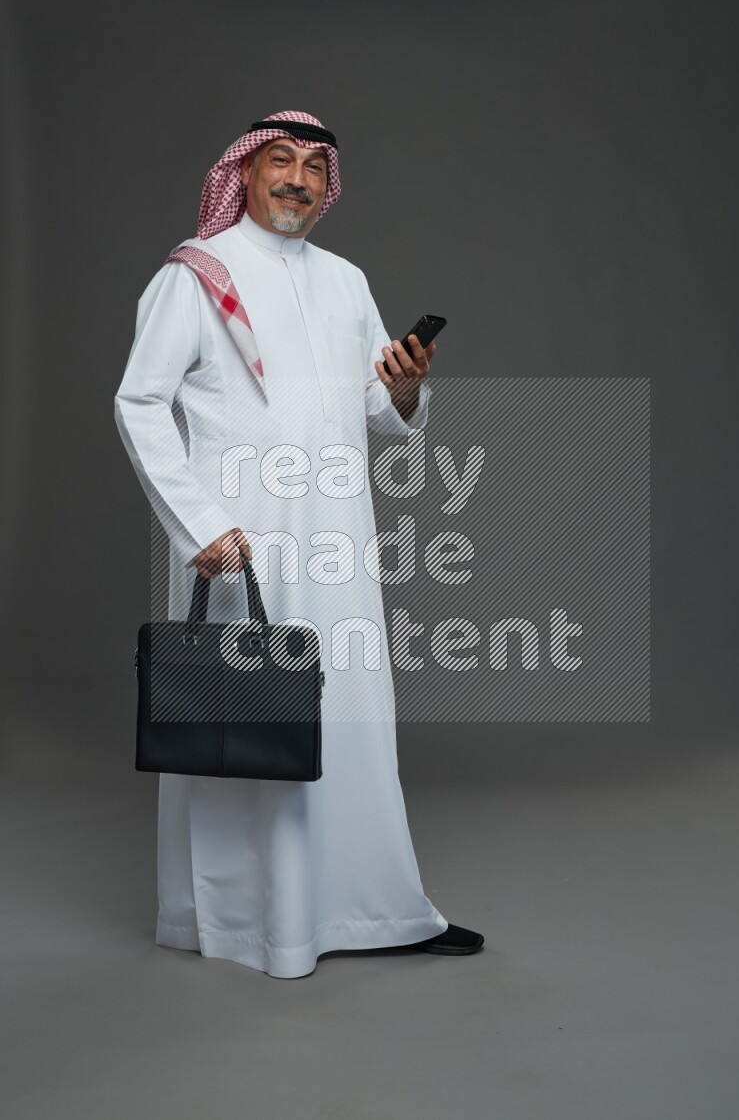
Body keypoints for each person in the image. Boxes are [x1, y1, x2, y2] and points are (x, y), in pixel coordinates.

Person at [114, 109, 483, 978]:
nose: (297, 179)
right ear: (242, 173)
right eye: (280, 160)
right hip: (240, 539)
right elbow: (139, 403)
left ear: (329, 186)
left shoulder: (346, 281)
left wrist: (405, 389)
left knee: (348, 718)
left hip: (338, 537)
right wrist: (199, 524)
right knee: (247, 721)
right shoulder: (195, 274)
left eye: (315, 167)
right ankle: (259, 926)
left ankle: (375, 910)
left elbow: (375, 408)